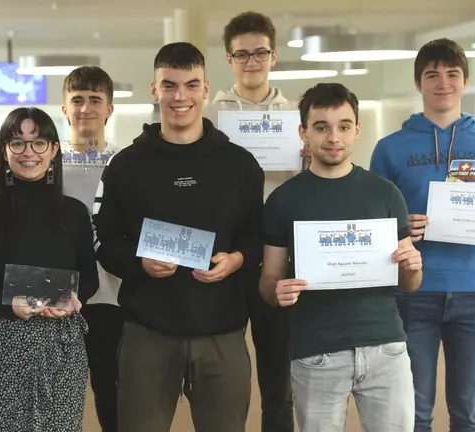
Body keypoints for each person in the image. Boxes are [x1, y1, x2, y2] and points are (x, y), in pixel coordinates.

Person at [94, 41, 263, 432]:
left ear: (205, 89)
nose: (180, 96)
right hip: (147, 332)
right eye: (169, 85)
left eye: (190, 85)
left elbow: (257, 236)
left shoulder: (239, 164)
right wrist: (139, 265)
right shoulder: (125, 166)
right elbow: (103, 240)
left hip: (222, 330)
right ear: (154, 90)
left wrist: (236, 260)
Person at [370, 38, 475, 432]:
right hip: (412, 293)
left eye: (452, 74)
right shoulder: (390, 148)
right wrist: (405, 228)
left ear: (465, 80)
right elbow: (373, 223)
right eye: (432, 75)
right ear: (418, 83)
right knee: (413, 415)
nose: (443, 82)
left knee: (470, 415)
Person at [259, 83, 422, 431]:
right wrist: (277, 292)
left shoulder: (386, 194)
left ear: (357, 130)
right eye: (321, 127)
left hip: (386, 349)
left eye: (344, 126)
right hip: (316, 353)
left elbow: (410, 284)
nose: (334, 137)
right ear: (303, 132)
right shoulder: (283, 201)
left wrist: (412, 267)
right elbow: (267, 284)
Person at [0, 107, 98, 432]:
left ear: (54, 150)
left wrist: (72, 299)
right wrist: (6, 307)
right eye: (18, 143)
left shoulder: (74, 213)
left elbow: (90, 279)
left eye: (39, 142)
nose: (29, 152)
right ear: (4, 151)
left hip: (60, 342)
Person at [204, 12, 310, 431]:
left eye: (260, 52)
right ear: (229, 60)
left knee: (276, 370)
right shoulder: (209, 116)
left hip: (276, 253)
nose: (252, 61)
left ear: (273, 56)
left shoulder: (295, 118)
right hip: (225, 252)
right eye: (242, 54)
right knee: (223, 373)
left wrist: (308, 158)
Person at [60, 65, 123, 432]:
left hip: (112, 298)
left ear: (109, 109)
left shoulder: (124, 163)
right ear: (65, 108)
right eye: (77, 100)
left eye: (95, 100)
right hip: (59, 297)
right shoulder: (47, 165)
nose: (86, 108)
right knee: (60, 396)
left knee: (110, 391)